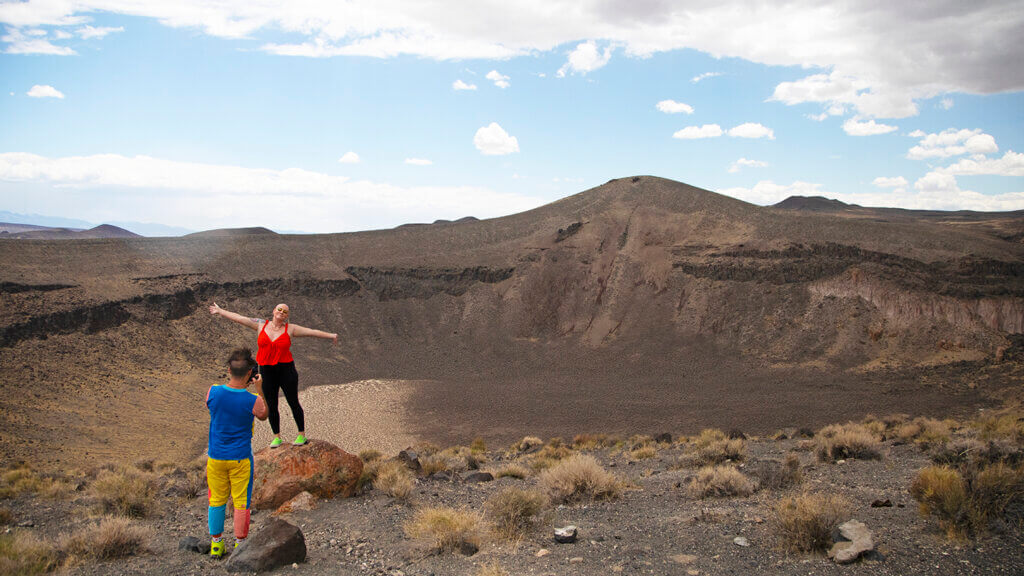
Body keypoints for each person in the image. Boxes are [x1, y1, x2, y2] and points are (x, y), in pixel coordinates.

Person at [209, 302, 337, 448]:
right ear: (273, 311)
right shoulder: (260, 325)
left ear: (287, 316)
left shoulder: (291, 329)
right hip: (266, 370)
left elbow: (311, 332)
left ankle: (301, 434)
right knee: (271, 404)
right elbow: (240, 318)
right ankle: (277, 437)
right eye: (279, 309)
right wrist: (220, 311)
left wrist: (331, 335)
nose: (282, 312)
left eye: (285, 311)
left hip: (286, 370)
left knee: (293, 401)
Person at [206, 348, 268, 558]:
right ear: (251, 374)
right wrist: (259, 389)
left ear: (228, 369)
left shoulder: (213, 391)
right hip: (241, 458)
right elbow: (263, 415)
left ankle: (216, 544)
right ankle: (240, 545)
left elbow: (211, 405)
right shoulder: (252, 400)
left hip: (216, 457)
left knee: (216, 500)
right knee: (241, 501)